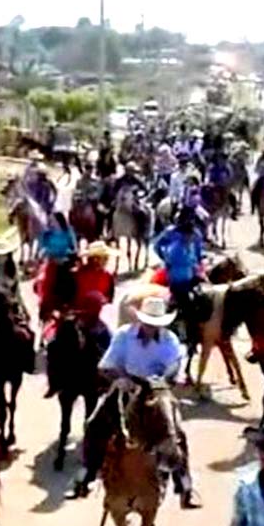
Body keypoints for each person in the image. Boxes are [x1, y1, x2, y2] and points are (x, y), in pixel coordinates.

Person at [71, 296, 202, 508]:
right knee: (94, 424)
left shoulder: (169, 340)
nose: (151, 327)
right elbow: (106, 365)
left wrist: (166, 379)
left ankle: (184, 486)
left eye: (155, 324)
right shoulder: (124, 336)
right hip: (128, 386)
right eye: (148, 322)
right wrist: (119, 378)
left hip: (157, 391)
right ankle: (86, 473)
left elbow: (175, 365)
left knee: (177, 433)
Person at [153, 209, 204, 314]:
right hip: (176, 274)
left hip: (191, 271)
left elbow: (199, 252)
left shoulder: (196, 234)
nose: (189, 237)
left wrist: (198, 265)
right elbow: (156, 245)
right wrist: (164, 258)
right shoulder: (171, 233)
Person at [38, 211, 78, 318]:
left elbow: (74, 247)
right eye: (50, 221)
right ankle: (45, 308)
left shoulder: (68, 231)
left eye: (53, 220)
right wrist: (46, 253)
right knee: (44, 281)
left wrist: (66, 254)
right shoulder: (46, 234)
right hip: (51, 262)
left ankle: (70, 304)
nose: (51, 223)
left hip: (66, 261)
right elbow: (42, 248)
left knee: (73, 280)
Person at [72, 241, 116, 310]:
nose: (107, 260)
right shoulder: (77, 275)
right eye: (105, 257)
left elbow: (109, 300)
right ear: (95, 259)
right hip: (80, 313)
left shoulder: (108, 276)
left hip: (100, 314)